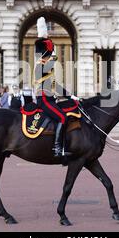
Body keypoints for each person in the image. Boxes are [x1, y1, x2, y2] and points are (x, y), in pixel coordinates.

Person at [34, 17, 80, 157]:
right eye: (51, 52)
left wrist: (70, 96)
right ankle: (57, 148)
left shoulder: (46, 65)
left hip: (50, 98)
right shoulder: (41, 65)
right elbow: (53, 86)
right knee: (62, 118)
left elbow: (55, 85)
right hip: (44, 99)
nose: (53, 55)